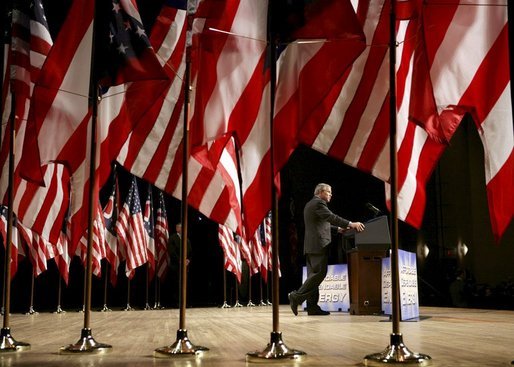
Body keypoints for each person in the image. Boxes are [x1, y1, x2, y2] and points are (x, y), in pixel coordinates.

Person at [288, 183, 365, 316]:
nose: (331, 194)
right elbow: (331, 217)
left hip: (311, 246)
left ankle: (312, 307)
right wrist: (350, 224)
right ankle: (296, 296)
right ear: (320, 192)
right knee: (319, 274)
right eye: (328, 192)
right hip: (318, 245)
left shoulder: (310, 204)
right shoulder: (319, 203)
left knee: (314, 275)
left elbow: (321, 224)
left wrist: (337, 229)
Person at [167, 223, 192, 307]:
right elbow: (171, 251)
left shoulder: (186, 239)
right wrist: (180, 260)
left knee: (185, 284)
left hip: (185, 266)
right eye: (181, 228)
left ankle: (184, 303)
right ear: (177, 229)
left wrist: (188, 259)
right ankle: (177, 303)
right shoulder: (172, 238)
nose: (183, 229)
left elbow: (190, 251)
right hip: (176, 266)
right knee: (176, 284)